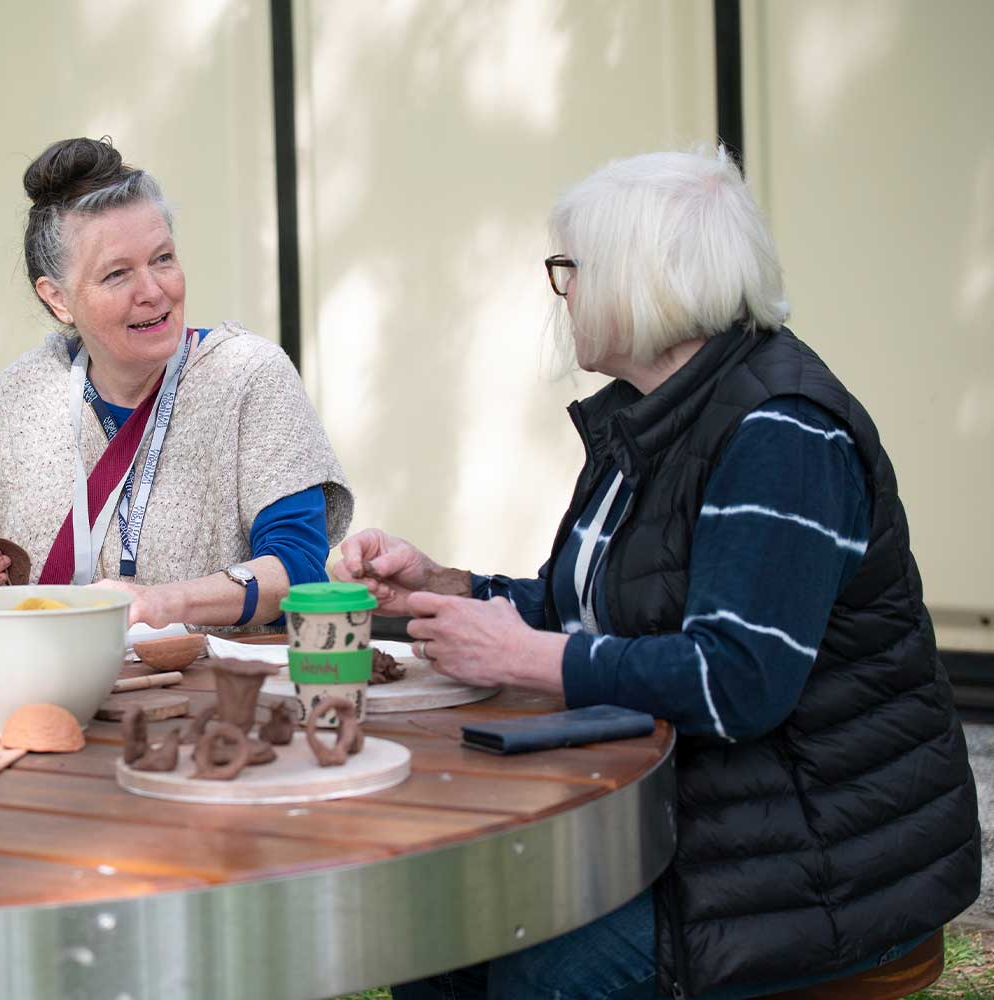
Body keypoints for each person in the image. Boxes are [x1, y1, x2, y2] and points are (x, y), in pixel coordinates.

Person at [335, 147, 979, 999]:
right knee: (442, 927)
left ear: (649, 283)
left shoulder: (781, 432)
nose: (562, 293)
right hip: (698, 825)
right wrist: (444, 588)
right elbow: (595, 613)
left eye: (574, 269)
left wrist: (526, 659)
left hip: (810, 869)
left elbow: (737, 679)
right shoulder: (658, 414)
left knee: (536, 970)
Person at [0, 137, 352, 627]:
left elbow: (297, 572)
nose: (154, 292)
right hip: (50, 684)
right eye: (117, 274)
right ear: (57, 299)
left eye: (163, 259)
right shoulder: (24, 390)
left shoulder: (247, 376)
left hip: (212, 689)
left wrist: (162, 603)